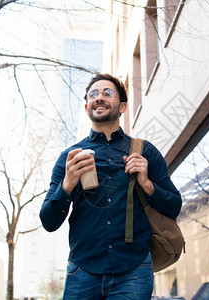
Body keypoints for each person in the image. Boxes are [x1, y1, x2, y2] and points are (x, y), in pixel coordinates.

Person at [39, 73, 182, 299]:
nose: (100, 98)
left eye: (108, 93)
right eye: (93, 94)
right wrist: (67, 184)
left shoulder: (146, 151)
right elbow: (48, 221)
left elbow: (174, 206)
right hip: (82, 269)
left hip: (134, 270)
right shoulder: (69, 158)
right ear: (87, 106)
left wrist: (146, 183)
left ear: (123, 106)